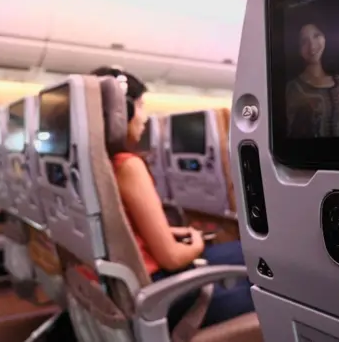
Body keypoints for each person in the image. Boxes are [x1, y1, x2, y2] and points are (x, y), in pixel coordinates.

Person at [90, 66, 255, 329]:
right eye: (141, 107)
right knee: (265, 282)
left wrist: (165, 231)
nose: (144, 117)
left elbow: (119, 229)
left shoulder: (95, 165)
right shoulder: (127, 166)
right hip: (161, 296)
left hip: (125, 291)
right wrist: (198, 242)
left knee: (244, 251)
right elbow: (172, 258)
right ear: (123, 113)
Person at [286, 21, 339, 138]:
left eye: (316, 35)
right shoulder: (293, 88)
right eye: (304, 41)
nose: (312, 45)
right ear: (297, 48)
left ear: (325, 37)